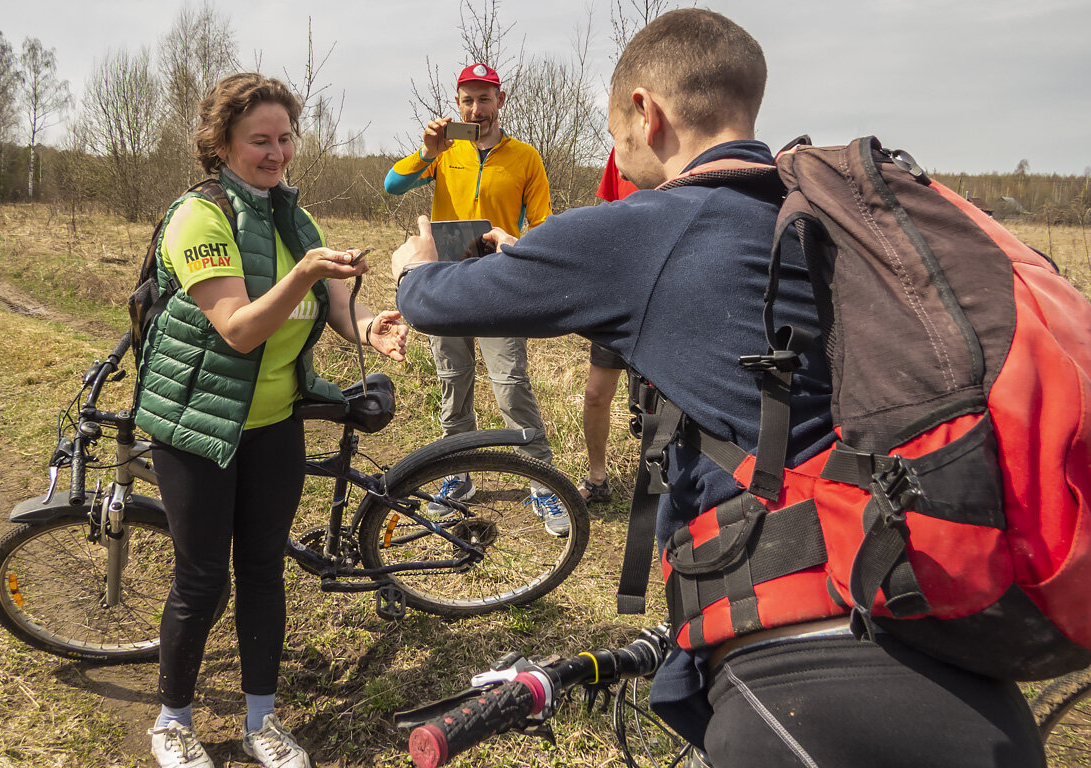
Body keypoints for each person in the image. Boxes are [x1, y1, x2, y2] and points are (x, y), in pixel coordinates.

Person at [390, 10, 1044, 768]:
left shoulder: (646, 224)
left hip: (802, 676)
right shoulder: (815, 214)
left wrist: (414, 261)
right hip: (936, 613)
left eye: (616, 129)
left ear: (647, 111)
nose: (618, 150)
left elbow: (437, 301)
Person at [135, 72, 407, 768]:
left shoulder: (293, 215)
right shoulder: (198, 218)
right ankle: (172, 721)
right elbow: (239, 330)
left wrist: (368, 325)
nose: (277, 153)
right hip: (197, 428)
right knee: (203, 581)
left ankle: (263, 721)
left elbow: (329, 307)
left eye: (285, 138)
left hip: (273, 426)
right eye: (260, 140)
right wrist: (307, 275)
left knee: (262, 569)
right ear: (221, 143)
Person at [383, 62, 568, 536]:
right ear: (457, 102)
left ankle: (543, 482)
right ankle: (456, 475)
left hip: (498, 283)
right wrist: (427, 153)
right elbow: (393, 185)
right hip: (445, 281)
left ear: (500, 101)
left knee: (509, 382)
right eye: (467, 99)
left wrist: (517, 243)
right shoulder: (445, 152)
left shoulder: (525, 157)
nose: (476, 108)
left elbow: (544, 224)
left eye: (485, 99)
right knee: (453, 381)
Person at [578, 148, 639, 504]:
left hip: (665, 292)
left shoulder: (686, 145)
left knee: (658, 403)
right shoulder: (622, 150)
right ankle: (598, 479)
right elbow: (608, 212)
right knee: (596, 394)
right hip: (619, 292)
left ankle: (669, 485)